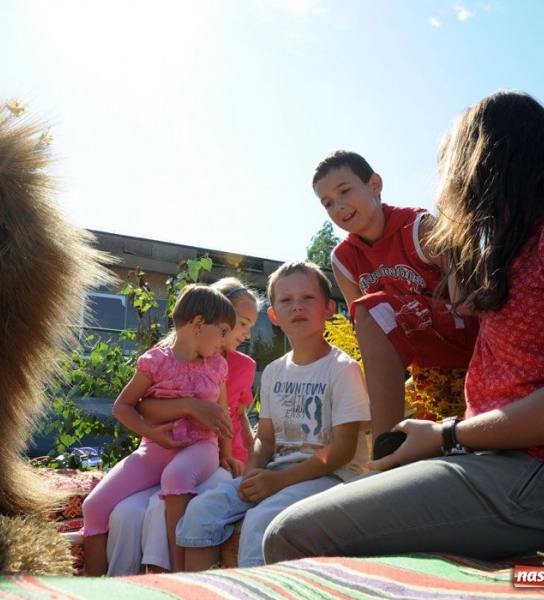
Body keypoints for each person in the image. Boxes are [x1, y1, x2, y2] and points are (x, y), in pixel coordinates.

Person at [263, 90, 544, 563]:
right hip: (504, 457)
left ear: (489, 161)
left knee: (290, 533)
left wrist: (449, 435)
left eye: (456, 166)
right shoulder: (532, 235)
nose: (454, 186)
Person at [175, 260, 372, 569]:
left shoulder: (342, 369)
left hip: (332, 477)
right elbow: (265, 439)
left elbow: (343, 450)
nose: (297, 307)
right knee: (200, 511)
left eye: (308, 298)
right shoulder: (274, 372)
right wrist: (252, 474)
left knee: (260, 520)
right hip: (279, 471)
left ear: (329, 308)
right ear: (274, 316)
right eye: (286, 300)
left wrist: (278, 482)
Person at [313, 150, 480, 435]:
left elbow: (467, 304)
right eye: (327, 203)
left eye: (344, 191)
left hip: (465, 339)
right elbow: (368, 331)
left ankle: (383, 445)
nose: (338, 206)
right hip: (421, 365)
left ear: (375, 185)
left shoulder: (419, 227)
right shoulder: (343, 258)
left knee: (372, 309)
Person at [81, 284, 242, 575]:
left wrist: (226, 454)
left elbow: (223, 414)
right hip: (153, 449)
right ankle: (94, 587)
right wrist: (151, 434)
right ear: (198, 324)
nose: (226, 339)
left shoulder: (216, 366)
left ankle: (178, 573)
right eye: (223, 330)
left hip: (199, 447)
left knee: (176, 475)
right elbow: (123, 406)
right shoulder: (156, 361)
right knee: (94, 505)